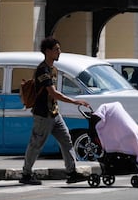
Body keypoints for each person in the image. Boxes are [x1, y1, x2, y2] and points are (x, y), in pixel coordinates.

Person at [20, 37, 91, 186]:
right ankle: (26, 174)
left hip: (54, 113)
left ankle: (72, 172)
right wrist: (75, 101)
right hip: (43, 115)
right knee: (36, 144)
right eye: (56, 49)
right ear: (47, 51)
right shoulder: (43, 70)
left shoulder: (54, 69)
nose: (59, 52)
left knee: (66, 140)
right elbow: (54, 93)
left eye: (59, 49)